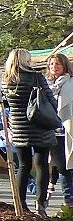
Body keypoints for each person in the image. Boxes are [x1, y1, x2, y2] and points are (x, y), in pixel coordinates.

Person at [2, 48, 59, 215]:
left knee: (23, 166)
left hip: (19, 129)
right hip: (40, 126)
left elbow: (4, 103)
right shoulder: (36, 77)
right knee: (41, 165)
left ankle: (20, 203)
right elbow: (49, 98)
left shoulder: (7, 80)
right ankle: (40, 204)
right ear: (25, 60)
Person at [47, 53, 73, 206]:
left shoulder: (69, 83)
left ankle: (69, 200)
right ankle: (68, 200)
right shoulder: (47, 86)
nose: (54, 68)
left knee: (69, 166)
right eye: (51, 65)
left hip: (67, 128)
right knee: (62, 167)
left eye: (58, 64)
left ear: (64, 66)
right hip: (52, 131)